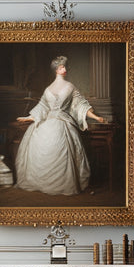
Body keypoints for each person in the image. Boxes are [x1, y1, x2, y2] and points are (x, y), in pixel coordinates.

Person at [13, 56, 106, 196]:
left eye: (65, 66)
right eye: (62, 67)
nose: (65, 69)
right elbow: (42, 107)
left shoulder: (70, 86)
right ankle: (40, 183)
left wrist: (96, 117)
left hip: (63, 122)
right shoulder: (48, 89)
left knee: (64, 149)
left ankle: (65, 184)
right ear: (56, 69)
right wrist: (28, 117)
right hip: (47, 122)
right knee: (41, 146)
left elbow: (80, 105)